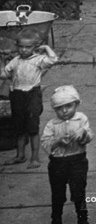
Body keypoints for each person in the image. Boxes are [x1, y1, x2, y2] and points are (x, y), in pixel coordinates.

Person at [41, 84, 92, 224]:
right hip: (58, 163)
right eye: (59, 108)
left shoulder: (81, 119)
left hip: (77, 160)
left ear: (76, 104)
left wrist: (82, 134)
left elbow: (89, 136)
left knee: (79, 192)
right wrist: (57, 141)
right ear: (55, 109)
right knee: (58, 194)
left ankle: (83, 221)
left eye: (68, 106)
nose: (64, 111)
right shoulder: (52, 124)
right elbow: (45, 142)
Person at [2, 31, 58, 167]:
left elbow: (53, 60)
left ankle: (34, 157)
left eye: (28, 47)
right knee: (19, 128)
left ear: (35, 47)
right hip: (17, 95)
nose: (24, 50)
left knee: (33, 128)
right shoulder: (15, 61)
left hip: (32, 95)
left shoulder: (38, 60)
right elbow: (4, 75)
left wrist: (46, 48)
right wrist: (3, 61)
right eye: (21, 47)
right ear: (17, 46)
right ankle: (20, 156)